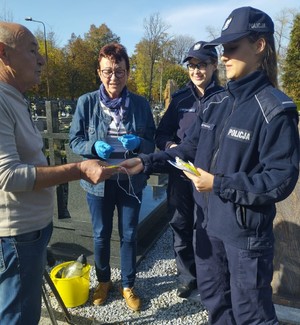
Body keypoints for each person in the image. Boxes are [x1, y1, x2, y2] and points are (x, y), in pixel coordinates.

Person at [119, 6, 299, 324]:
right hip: (207, 227)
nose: (225, 56)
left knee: (252, 315)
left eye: (232, 47)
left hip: (244, 237)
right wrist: (144, 161)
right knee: (216, 303)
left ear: (259, 46)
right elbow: (188, 149)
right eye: (223, 48)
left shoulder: (274, 109)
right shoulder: (217, 104)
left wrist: (219, 184)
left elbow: (280, 180)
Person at [0, 22, 118, 325]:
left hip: (31, 231)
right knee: (18, 316)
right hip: (16, 236)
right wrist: (78, 168)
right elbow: (8, 175)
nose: (42, 60)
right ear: (3, 54)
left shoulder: (14, 96)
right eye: (32, 50)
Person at [69, 42, 156, 311]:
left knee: (129, 234)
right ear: (98, 72)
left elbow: (152, 141)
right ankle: (104, 281)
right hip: (99, 182)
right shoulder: (86, 102)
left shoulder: (140, 105)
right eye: (107, 71)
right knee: (100, 234)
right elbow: (74, 140)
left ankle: (128, 283)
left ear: (128, 73)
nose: (113, 78)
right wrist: (92, 147)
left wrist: (140, 143)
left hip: (130, 181)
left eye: (119, 71)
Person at [155, 41, 223, 298]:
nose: (196, 71)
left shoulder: (226, 98)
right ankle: (187, 276)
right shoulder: (180, 99)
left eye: (202, 65)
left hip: (210, 178)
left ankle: (210, 278)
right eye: (192, 66)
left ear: (214, 66)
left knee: (208, 227)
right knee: (181, 224)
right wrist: (172, 146)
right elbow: (162, 133)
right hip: (181, 175)